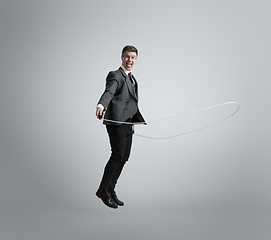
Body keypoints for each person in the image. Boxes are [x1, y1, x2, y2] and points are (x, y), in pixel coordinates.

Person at [95, 45, 146, 209]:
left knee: (124, 157)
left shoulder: (132, 78)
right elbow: (109, 92)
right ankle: (103, 190)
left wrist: (132, 122)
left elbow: (131, 102)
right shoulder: (115, 75)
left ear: (136, 59)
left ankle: (110, 189)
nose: (129, 60)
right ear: (121, 57)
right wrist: (101, 105)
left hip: (127, 123)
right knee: (117, 155)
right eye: (126, 57)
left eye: (132, 57)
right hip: (116, 122)